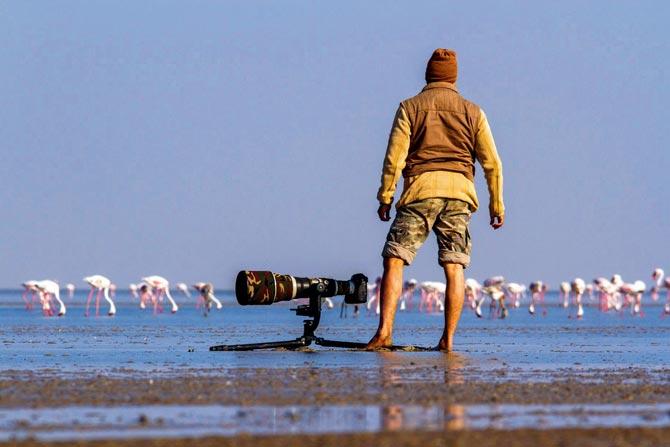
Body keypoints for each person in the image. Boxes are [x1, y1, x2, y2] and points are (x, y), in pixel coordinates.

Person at [366, 48, 505, 352]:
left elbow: (394, 159)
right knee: (455, 266)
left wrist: (385, 196)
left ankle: (385, 332)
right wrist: (497, 204)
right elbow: (492, 163)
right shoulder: (474, 111)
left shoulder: (410, 107)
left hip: (421, 190)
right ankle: (448, 340)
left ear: (428, 74)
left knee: (394, 258)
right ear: (454, 76)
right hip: (460, 194)